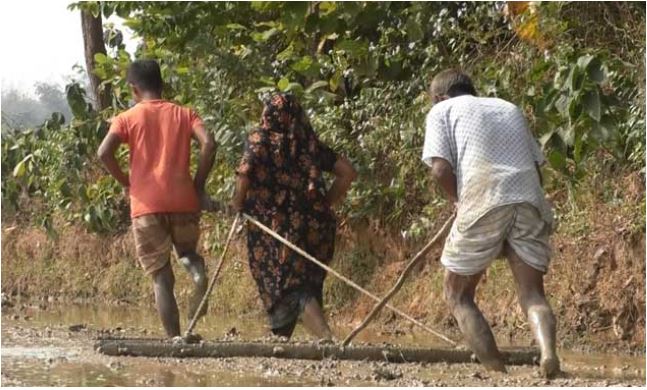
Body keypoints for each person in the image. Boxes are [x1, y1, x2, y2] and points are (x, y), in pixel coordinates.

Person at [421, 69, 560, 377]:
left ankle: (495, 370)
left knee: (457, 295)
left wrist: (458, 202)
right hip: (529, 198)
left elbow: (440, 170)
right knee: (533, 294)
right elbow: (536, 171)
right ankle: (549, 354)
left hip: (483, 197)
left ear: (440, 97)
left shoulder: (441, 111)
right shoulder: (507, 107)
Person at [97, 59, 217, 340]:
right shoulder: (185, 114)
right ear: (162, 85)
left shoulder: (127, 118)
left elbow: (104, 153)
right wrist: (198, 187)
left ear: (133, 89)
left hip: (146, 207)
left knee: (161, 277)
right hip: (184, 202)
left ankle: (175, 339)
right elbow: (209, 143)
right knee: (187, 254)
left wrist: (127, 182)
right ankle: (197, 274)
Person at [232, 93, 357, 340]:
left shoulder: (259, 140)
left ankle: (326, 340)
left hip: (275, 228)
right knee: (300, 282)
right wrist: (324, 204)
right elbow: (348, 173)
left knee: (292, 285)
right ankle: (281, 339)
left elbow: (244, 175)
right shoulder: (308, 144)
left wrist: (236, 206)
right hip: (314, 227)